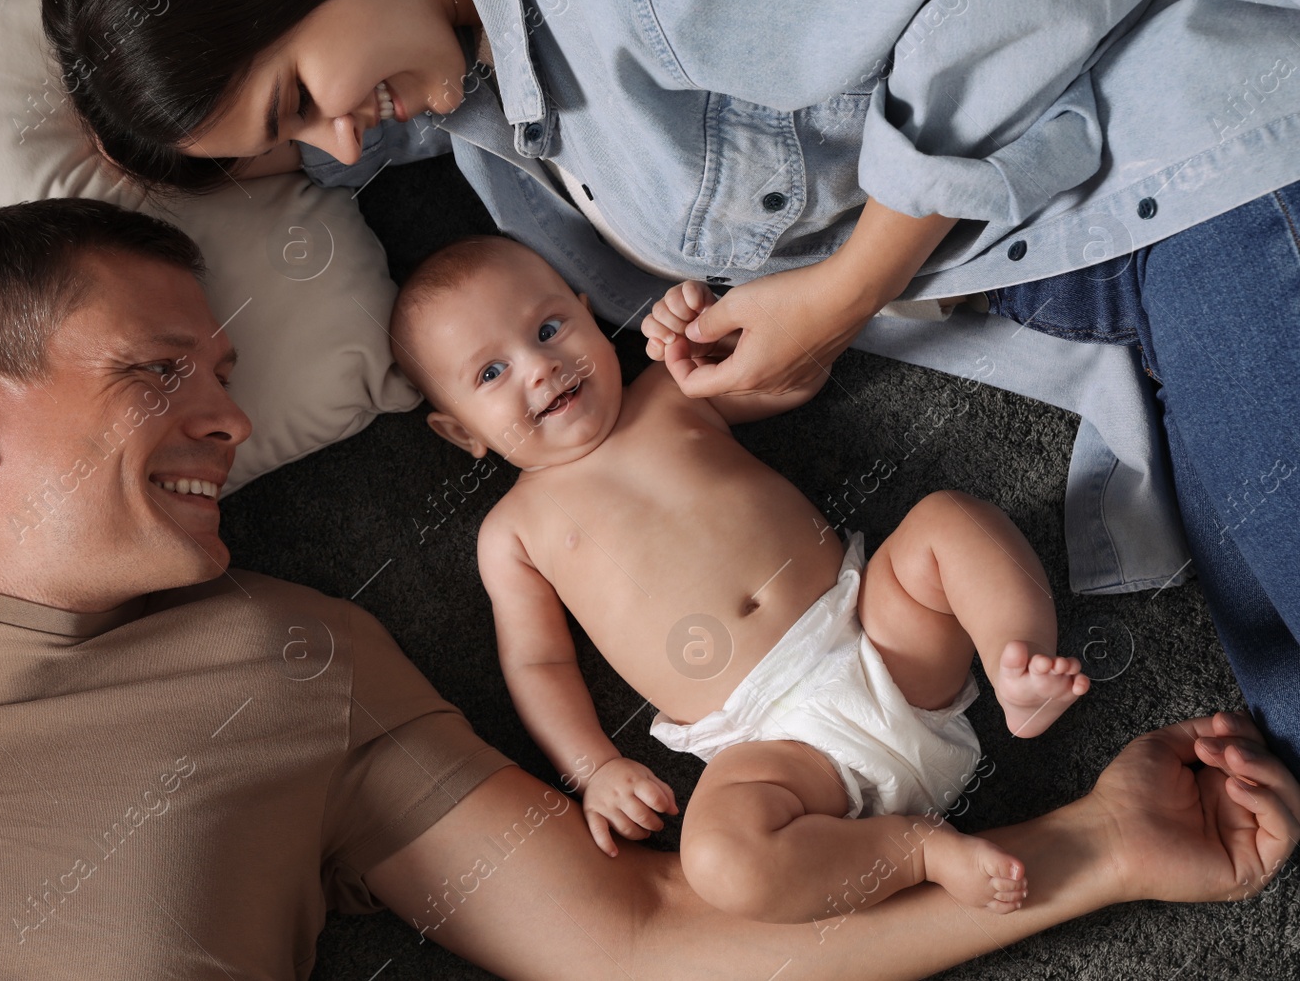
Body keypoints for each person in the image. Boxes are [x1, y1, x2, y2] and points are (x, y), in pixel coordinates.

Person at [0, 198, 1296, 979]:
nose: (231, 420)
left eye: (228, 371)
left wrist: (1089, 848)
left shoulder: (291, 660)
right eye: (157, 373)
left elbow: (648, 943)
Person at [37, 0, 1300, 770]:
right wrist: (131, 128)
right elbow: (372, 128)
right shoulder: (469, 65)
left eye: (302, 99)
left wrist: (844, 291)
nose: (342, 144)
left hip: (1201, 166)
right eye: (291, 143)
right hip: (1089, 268)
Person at [388, 235, 1092, 923]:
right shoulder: (512, 533)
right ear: (460, 433)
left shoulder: (669, 389)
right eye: (490, 374)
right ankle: (917, 854)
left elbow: (794, 374)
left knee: (947, 523)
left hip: (874, 634)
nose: (538, 368)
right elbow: (537, 661)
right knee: (720, 860)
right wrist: (594, 767)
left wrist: (705, 335)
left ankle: (1017, 666)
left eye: (549, 328)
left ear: (588, 313)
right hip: (775, 748)